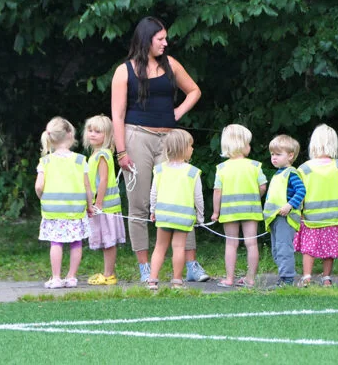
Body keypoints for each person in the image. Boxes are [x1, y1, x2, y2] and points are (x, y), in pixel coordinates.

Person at [111, 16, 209, 283]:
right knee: (140, 203)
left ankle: (191, 265)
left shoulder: (171, 64)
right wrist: (121, 152)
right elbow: (117, 115)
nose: (166, 43)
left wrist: (176, 113)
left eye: (166, 38)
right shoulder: (125, 71)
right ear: (146, 40)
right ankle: (145, 267)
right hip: (137, 137)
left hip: (169, 141)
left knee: (180, 201)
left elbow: (194, 91)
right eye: (160, 39)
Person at [34, 117, 94, 289]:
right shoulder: (80, 160)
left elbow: (39, 186)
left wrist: (42, 197)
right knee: (76, 242)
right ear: (70, 134)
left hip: (53, 212)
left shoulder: (45, 161)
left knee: (56, 243)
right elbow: (87, 187)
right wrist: (90, 206)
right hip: (75, 211)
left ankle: (56, 278)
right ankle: (72, 277)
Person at [211, 124, 267, 288]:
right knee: (251, 243)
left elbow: (217, 191)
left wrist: (216, 211)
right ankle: (250, 279)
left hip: (229, 211)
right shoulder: (255, 166)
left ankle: (229, 279)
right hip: (251, 210)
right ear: (243, 145)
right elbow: (263, 186)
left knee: (231, 243)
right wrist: (257, 198)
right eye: (248, 143)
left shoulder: (222, 168)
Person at [148, 129, 203, 290]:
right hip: (183, 216)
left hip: (163, 215)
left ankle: (152, 280)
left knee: (159, 247)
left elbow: (154, 193)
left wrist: (153, 210)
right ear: (184, 148)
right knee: (179, 248)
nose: (192, 149)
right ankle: (177, 281)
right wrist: (200, 217)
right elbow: (198, 198)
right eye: (191, 146)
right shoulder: (192, 171)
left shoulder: (159, 169)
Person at [294, 124, 338, 287]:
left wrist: (299, 211)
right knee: (329, 249)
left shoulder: (304, 168)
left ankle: (307, 277)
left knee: (309, 249)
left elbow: (300, 192)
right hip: (333, 216)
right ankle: (326, 278)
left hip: (311, 216)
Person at [83, 115, 126, 286]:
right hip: (102, 205)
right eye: (90, 130)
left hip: (106, 206)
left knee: (108, 242)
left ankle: (108, 275)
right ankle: (108, 272)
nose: (92, 134)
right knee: (105, 241)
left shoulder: (102, 155)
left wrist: (98, 203)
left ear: (107, 135)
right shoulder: (95, 154)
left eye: (97, 131)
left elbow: (103, 180)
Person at [263, 135, 306, 287]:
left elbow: (301, 190)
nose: (273, 158)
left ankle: (287, 279)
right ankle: (283, 277)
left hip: (285, 218)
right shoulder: (278, 174)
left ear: (290, 155)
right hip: (275, 218)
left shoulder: (291, 173)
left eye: (278, 154)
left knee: (283, 249)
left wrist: (289, 205)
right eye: (272, 154)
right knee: (276, 249)